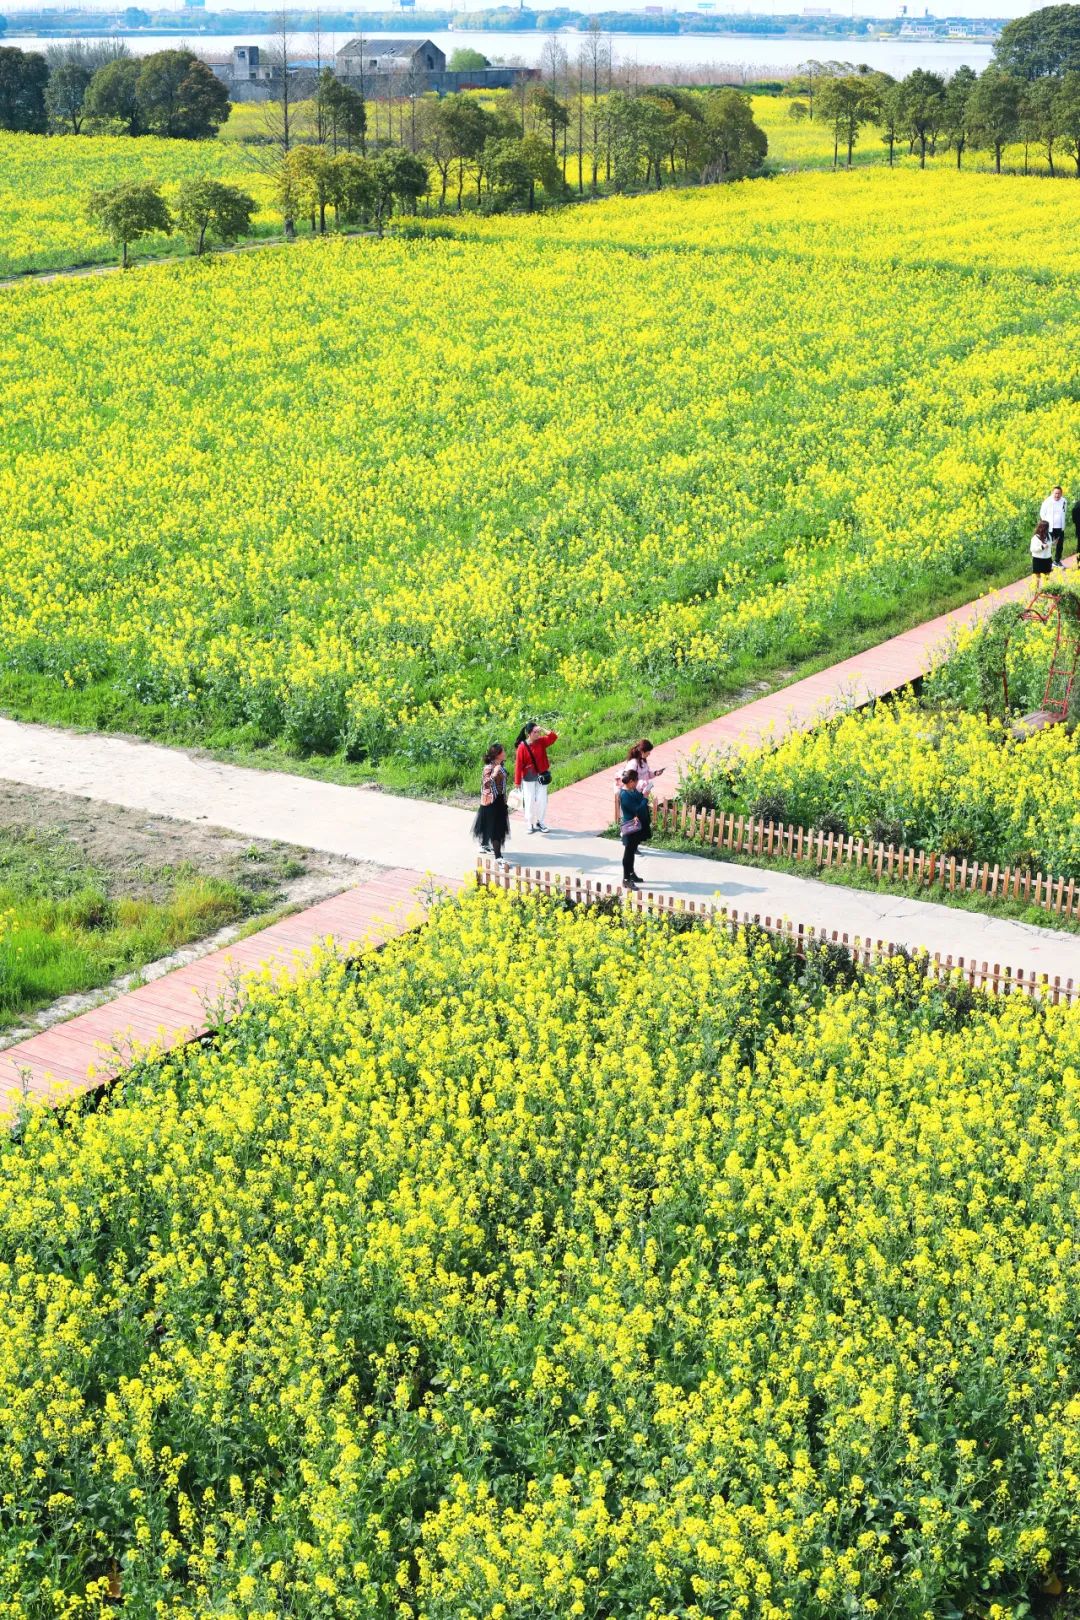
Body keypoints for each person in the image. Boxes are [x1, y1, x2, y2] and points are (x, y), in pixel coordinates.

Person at [514, 720, 558, 833]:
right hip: (528, 777)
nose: (537, 734)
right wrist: (517, 781)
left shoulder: (541, 741)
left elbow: (553, 737)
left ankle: (540, 822)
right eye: (535, 732)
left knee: (542, 800)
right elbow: (518, 765)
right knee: (529, 800)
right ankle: (529, 823)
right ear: (529, 733)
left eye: (538, 732)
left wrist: (542, 728)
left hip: (542, 776)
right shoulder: (522, 747)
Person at [472, 743, 510, 868]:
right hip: (490, 802)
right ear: (497, 754)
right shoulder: (488, 768)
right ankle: (498, 858)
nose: (505, 753)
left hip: (500, 800)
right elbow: (486, 784)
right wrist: (494, 774)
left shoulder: (500, 765)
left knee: (490, 825)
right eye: (503, 751)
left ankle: (484, 845)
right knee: (496, 829)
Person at [612, 739, 665, 823]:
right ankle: (626, 830)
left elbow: (647, 774)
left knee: (638, 815)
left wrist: (655, 773)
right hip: (632, 793)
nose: (649, 754)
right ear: (642, 752)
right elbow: (628, 779)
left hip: (639, 791)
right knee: (631, 816)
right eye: (648, 752)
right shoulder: (633, 763)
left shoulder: (643, 761)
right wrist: (641, 783)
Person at [618, 766, 651, 890]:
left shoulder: (632, 791)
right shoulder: (625, 795)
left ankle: (632, 874)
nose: (637, 783)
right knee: (628, 854)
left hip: (636, 827)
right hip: (630, 828)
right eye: (636, 781)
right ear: (631, 781)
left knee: (631, 853)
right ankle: (626, 879)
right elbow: (637, 808)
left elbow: (639, 799)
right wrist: (645, 797)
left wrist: (643, 793)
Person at [1040, 485, 1068, 569]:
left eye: (1059, 493)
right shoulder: (1047, 501)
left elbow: (1064, 512)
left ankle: (1057, 561)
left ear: (1061, 493)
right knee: (1048, 545)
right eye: (1056, 493)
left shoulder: (1064, 501)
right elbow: (1042, 513)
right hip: (1050, 528)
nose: (1057, 495)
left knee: (1060, 545)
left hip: (1060, 527)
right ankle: (1047, 563)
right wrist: (1046, 524)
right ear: (1052, 493)